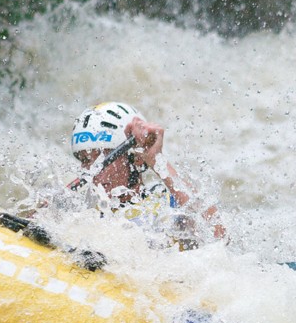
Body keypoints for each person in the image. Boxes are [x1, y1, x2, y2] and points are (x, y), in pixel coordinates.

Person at [68, 101, 226, 250]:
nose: (93, 170)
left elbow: (219, 234)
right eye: (85, 160)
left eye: (103, 156)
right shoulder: (82, 214)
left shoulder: (163, 202)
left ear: (135, 158)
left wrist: (157, 161)